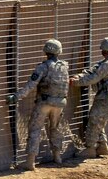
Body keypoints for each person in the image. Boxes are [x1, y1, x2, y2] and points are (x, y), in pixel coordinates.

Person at [8, 38, 69, 170]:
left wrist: (16, 97)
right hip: (60, 103)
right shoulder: (64, 67)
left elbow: (31, 85)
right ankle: (57, 156)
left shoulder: (43, 67)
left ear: (46, 51)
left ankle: (30, 162)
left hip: (45, 102)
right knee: (55, 128)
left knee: (35, 129)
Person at [70, 37, 108, 158]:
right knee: (99, 121)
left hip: (104, 98)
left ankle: (90, 149)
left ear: (105, 50)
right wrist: (80, 76)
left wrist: (76, 82)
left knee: (94, 121)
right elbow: (93, 71)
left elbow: (94, 78)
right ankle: (103, 147)